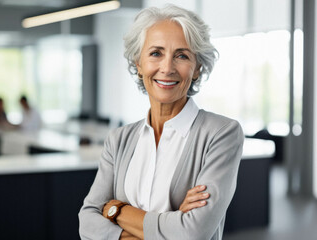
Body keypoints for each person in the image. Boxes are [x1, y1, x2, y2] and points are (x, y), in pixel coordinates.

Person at [79, 5, 244, 240]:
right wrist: (173, 221)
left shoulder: (221, 134)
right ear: (139, 64)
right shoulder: (119, 140)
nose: (167, 68)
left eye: (182, 55)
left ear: (197, 68)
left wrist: (115, 211)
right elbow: (87, 223)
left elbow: (193, 232)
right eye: (156, 53)